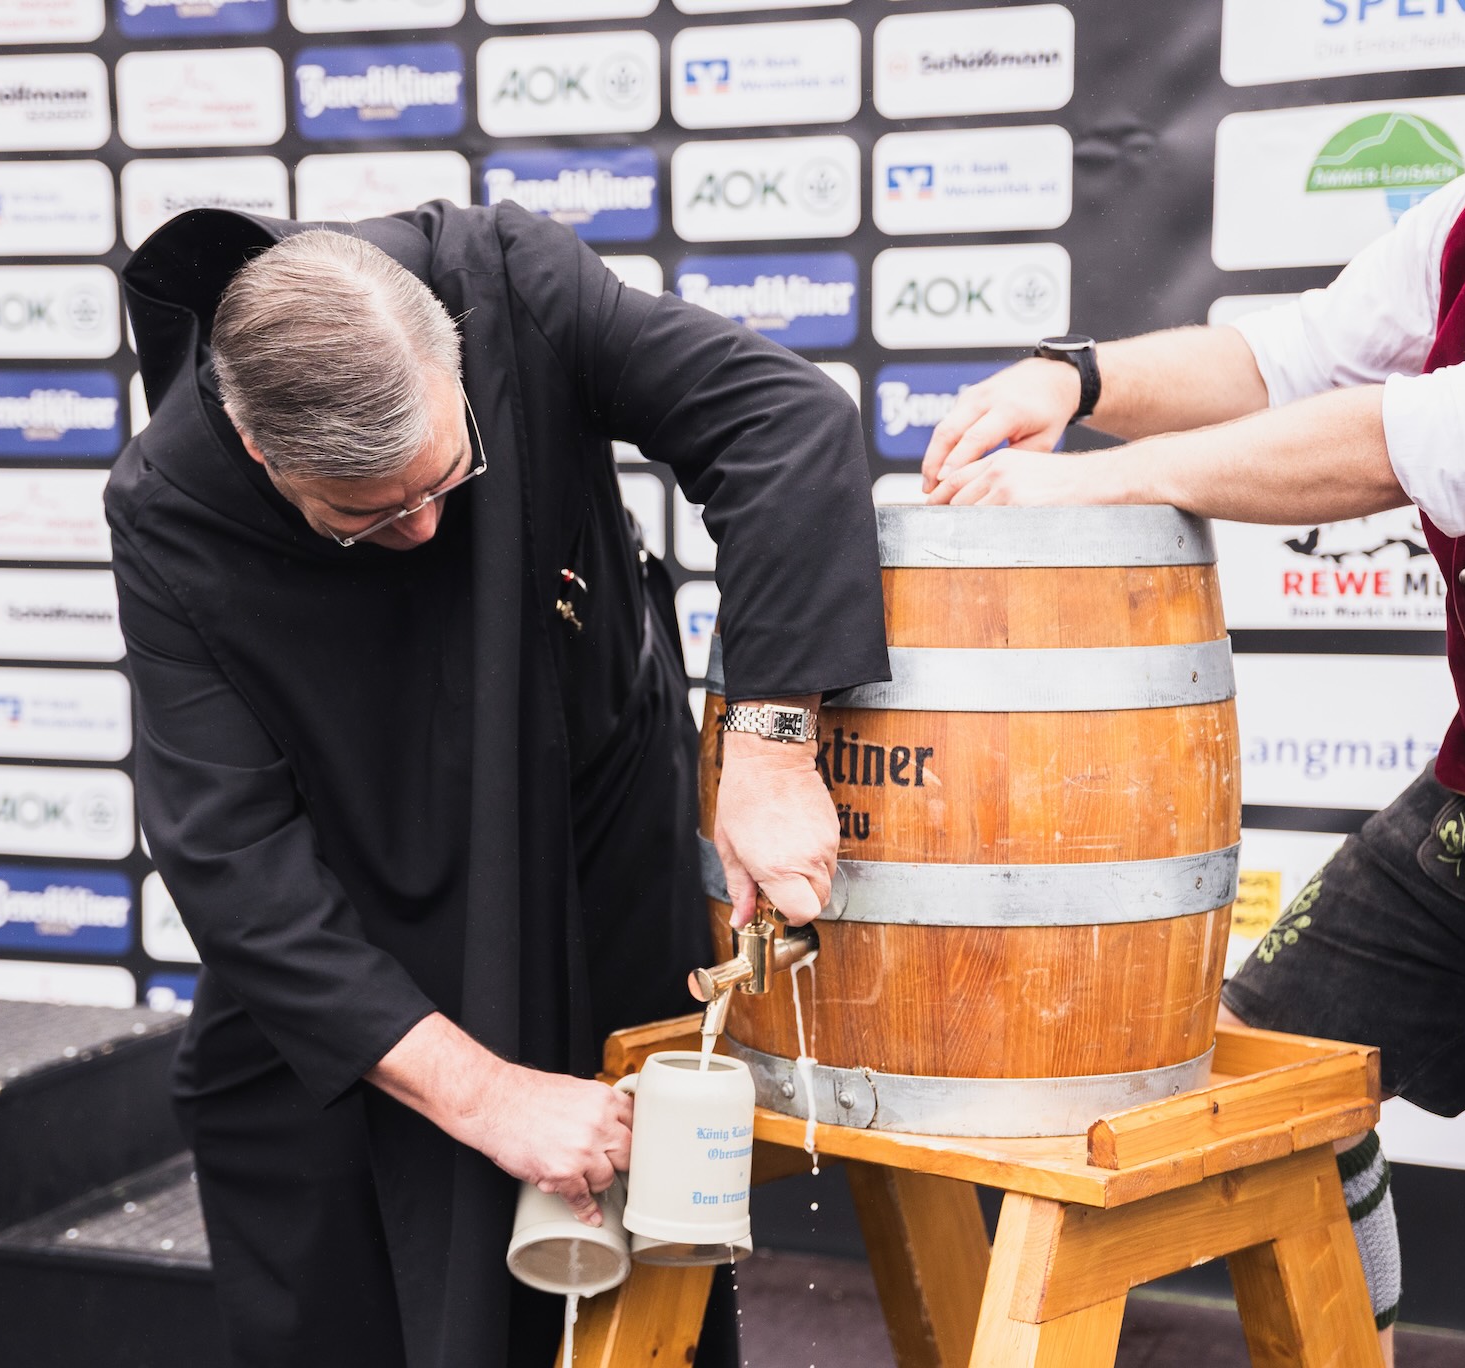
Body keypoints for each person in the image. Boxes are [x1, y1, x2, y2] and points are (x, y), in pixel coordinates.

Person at [915, 0, 1465, 1352]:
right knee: (1264, 1089)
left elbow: (1401, 441)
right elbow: (1289, 358)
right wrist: (1072, 378)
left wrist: (1106, 485)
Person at [106, 202, 887, 1368]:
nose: (427, 529)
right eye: (366, 516)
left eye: (449, 475)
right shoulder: (168, 508)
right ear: (264, 456)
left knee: (635, 1303)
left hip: (587, 848)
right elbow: (233, 860)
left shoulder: (510, 285)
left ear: (452, 358)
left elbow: (783, 420)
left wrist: (770, 745)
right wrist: (483, 1096)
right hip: (362, 937)